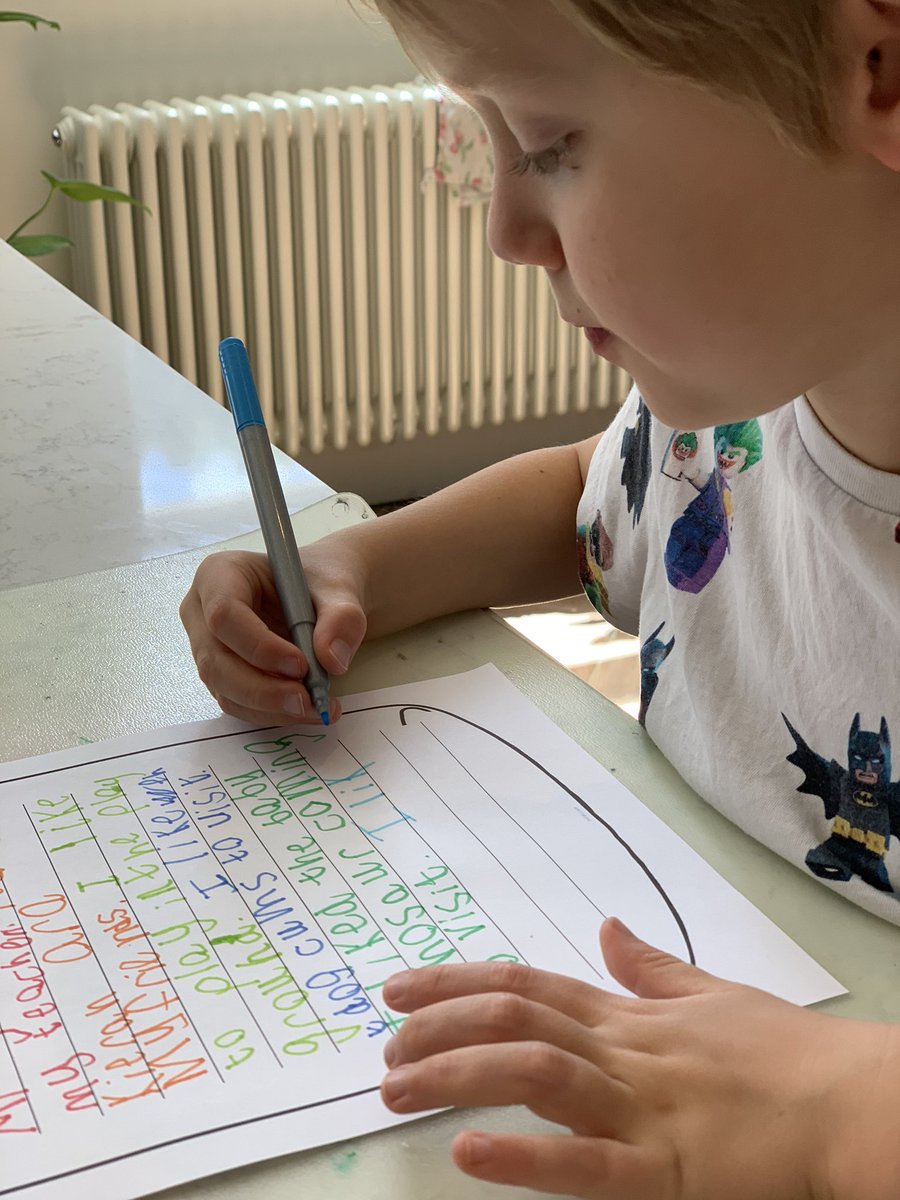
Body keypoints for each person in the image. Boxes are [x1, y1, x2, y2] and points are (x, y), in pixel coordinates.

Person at [179, 0, 900, 1194]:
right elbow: (588, 503)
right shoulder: (728, 431)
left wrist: (845, 1117)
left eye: (548, 142)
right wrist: (363, 568)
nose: (506, 229)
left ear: (877, 66)